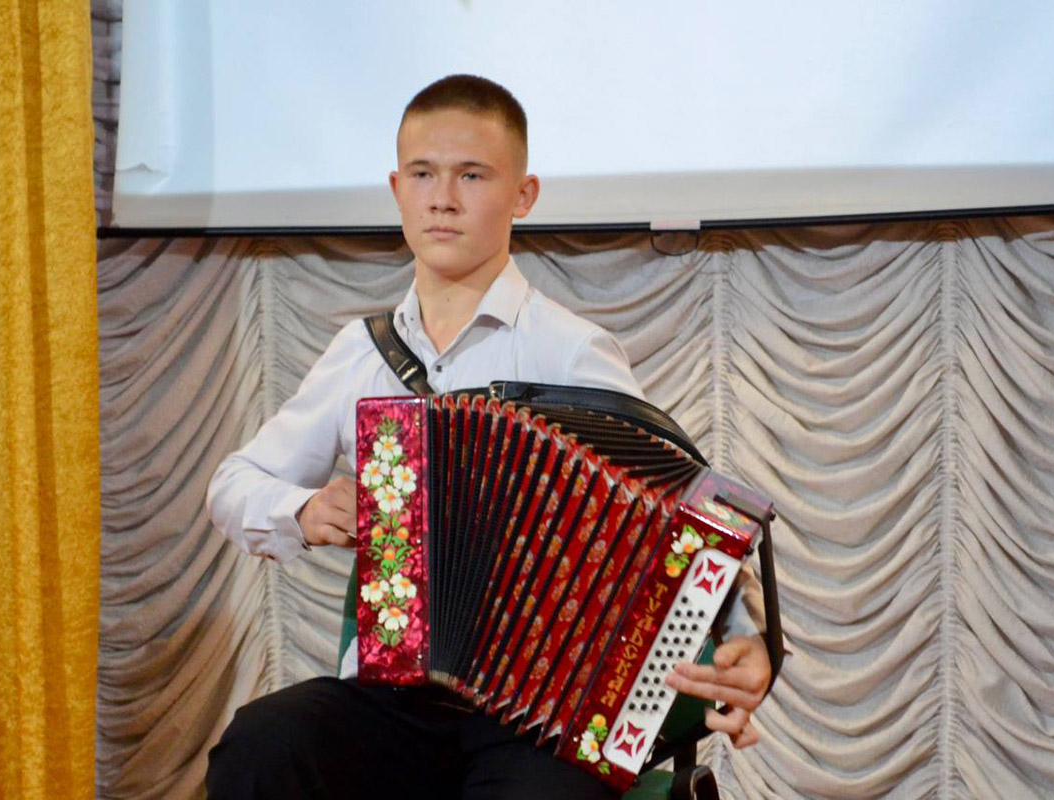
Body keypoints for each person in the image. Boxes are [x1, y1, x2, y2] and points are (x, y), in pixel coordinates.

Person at [205, 74, 772, 799]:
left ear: (523, 195)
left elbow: (681, 513)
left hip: (542, 717)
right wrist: (303, 509)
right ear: (396, 190)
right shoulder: (362, 355)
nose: (442, 198)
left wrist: (743, 636)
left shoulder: (570, 350)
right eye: (422, 174)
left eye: (472, 175)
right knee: (262, 744)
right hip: (394, 700)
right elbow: (233, 484)